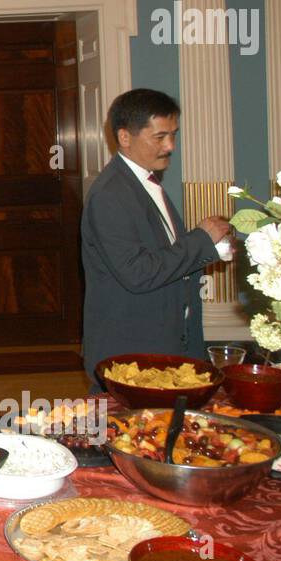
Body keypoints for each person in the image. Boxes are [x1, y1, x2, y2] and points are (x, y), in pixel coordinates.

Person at [81, 88, 233, 386]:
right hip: (131, 354)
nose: (170, 146)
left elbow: (161, 255)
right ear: (125, 137)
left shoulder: (144, 182)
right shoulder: (110, 194)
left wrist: (212, 248)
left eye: (173, 135)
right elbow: (138, 273)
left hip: (163, 342)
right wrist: (201, 239)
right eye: (160, 137)